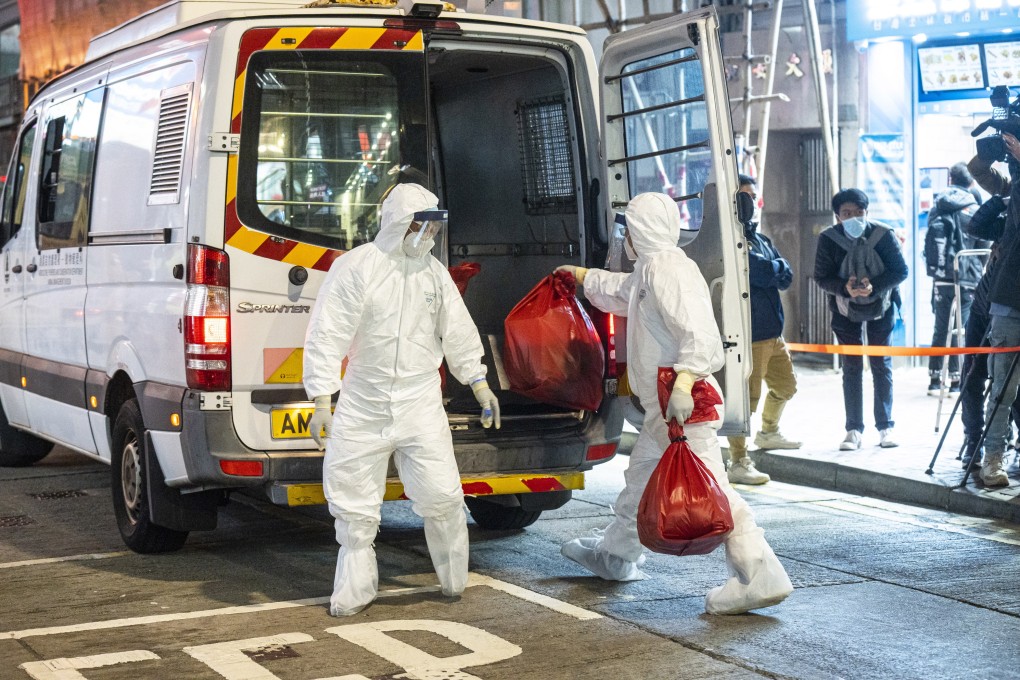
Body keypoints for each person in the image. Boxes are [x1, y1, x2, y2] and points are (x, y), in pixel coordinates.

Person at [555, 192, 793, 615]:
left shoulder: (669, 268)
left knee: (713, 489)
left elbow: (700, 334)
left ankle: (759, 574)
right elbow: (621, 291)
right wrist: (581, 276)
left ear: (640, 229)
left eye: (628, 227)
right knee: (641, 480)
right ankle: (615, 556)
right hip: (664, 410)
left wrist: (684, 381)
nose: (625, 236)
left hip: (682, 405)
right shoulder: (651, 268)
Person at [303, 183, 501, 616]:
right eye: (422, 225)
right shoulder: (357, 268)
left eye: (432, 228)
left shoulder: (433, 273)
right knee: (354, 504)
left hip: (419, 400)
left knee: (444, 495)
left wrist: (479, 381)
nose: (429, 236)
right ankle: (355, 588)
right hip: (364, 401)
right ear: (401, 223)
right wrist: (321, 398)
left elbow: (459, 331)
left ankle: (453, 578)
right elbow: (327, 332)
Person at [813, 188, 909, 451]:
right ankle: (853, 429)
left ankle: (885, 427)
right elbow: (821, 277)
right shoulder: (828, 239)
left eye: (859, 212)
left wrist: (874, 286)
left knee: (881, 364)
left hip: (882, 306)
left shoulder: (883, 235)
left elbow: (901, 270)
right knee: (852, 367)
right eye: (847, 213)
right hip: (844, 310)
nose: (854, 217)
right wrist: (845, 288)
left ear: (867, 213)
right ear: (837, 217)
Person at [725, 175, 800, 486]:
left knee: (787, 386)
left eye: (753, 196)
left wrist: (774, 269)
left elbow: (784, 274)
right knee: (747, 402)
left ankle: (768, 432)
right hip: (749, 337)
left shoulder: (760, 238)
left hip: (773, 334)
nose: (750, 203)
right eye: (745, 196)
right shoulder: (729, 238)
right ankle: (738, 461)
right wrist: (774, 269)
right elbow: (758, 270)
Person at [961, 147, 1020, 473]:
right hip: (996, 300)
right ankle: (980, 445)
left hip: (1005, 300)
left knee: (1009, 384)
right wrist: (994, 148)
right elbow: (979, 224)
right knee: (981, 378)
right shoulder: (1011, 190)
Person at [923, 162, 983, 396]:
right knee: (962, 329)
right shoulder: (974, 206)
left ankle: (935, 381)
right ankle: (958, 382)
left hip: (942, 277)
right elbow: (983, 242)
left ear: (950, 179)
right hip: (968, 276)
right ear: (971, 182)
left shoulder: (939, 206)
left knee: (941, 328)